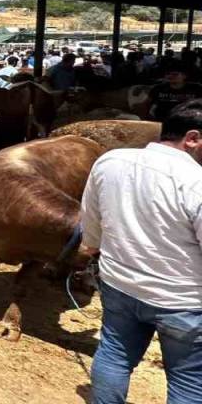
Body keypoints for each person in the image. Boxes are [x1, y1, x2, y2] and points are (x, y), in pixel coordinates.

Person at [81, 100, 202, 403]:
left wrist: (94, 246)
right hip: (184, 300)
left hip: (119, 283)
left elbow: (91, 221)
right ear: (193, 138)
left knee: (113, 354)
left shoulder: (111, 160)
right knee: (188, 380)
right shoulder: (196, 182)